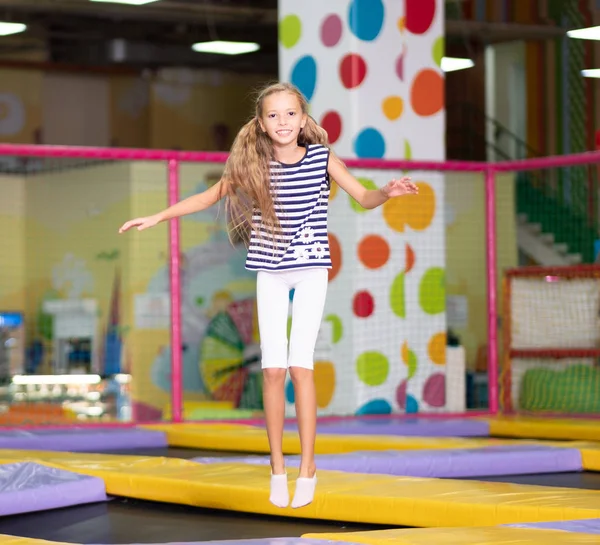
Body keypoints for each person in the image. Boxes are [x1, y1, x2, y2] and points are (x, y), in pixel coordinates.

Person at [119, 82, 418, 509]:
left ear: (303, 119)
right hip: (270, 273)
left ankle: (308, 466)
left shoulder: (322, 159)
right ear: (261, 123)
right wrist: (158, 216)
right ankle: (278, 466)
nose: (282, 122)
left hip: (312, 270)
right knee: (273, 371)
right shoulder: (253, 165)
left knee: (301, 368)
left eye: (290, 114)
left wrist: (386, 193)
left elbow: (363, 196)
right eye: (273, 115)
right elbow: (208, 197)